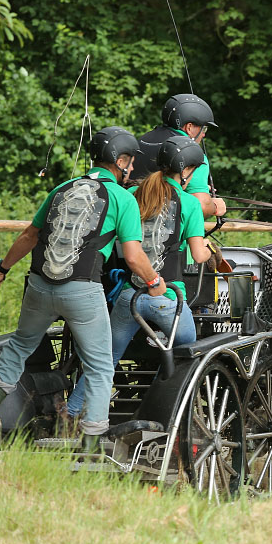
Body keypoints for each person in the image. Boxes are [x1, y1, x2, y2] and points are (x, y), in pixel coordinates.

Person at [0, 127, 166, 450]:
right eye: (129, 163)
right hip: (82, 293)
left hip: (39, 287)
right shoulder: (122, 198)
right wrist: (154, 282)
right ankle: (90, 448)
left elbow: (29, 237)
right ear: (121, 161)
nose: (131, 170)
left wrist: (2, 269)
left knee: (19, 348)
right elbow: (133, 256)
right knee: (101, 365)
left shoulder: (61, 188)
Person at [65, 136, 212, 423]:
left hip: (129, 296)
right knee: (186, 354)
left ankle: (70, 412)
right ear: (184, 171)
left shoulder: (134, 195)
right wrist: (208, 248)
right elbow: (198, 254)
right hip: (168, 298)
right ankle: (157, 408)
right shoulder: (190, 204)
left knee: (106, 359)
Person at [135, 93, 227, 219]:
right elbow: (201, 206)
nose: (204, 135)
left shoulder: (142, 141)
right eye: (203, 129)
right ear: (189, 127)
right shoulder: (191, 153)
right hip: (166, 232)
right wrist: (215, 206)